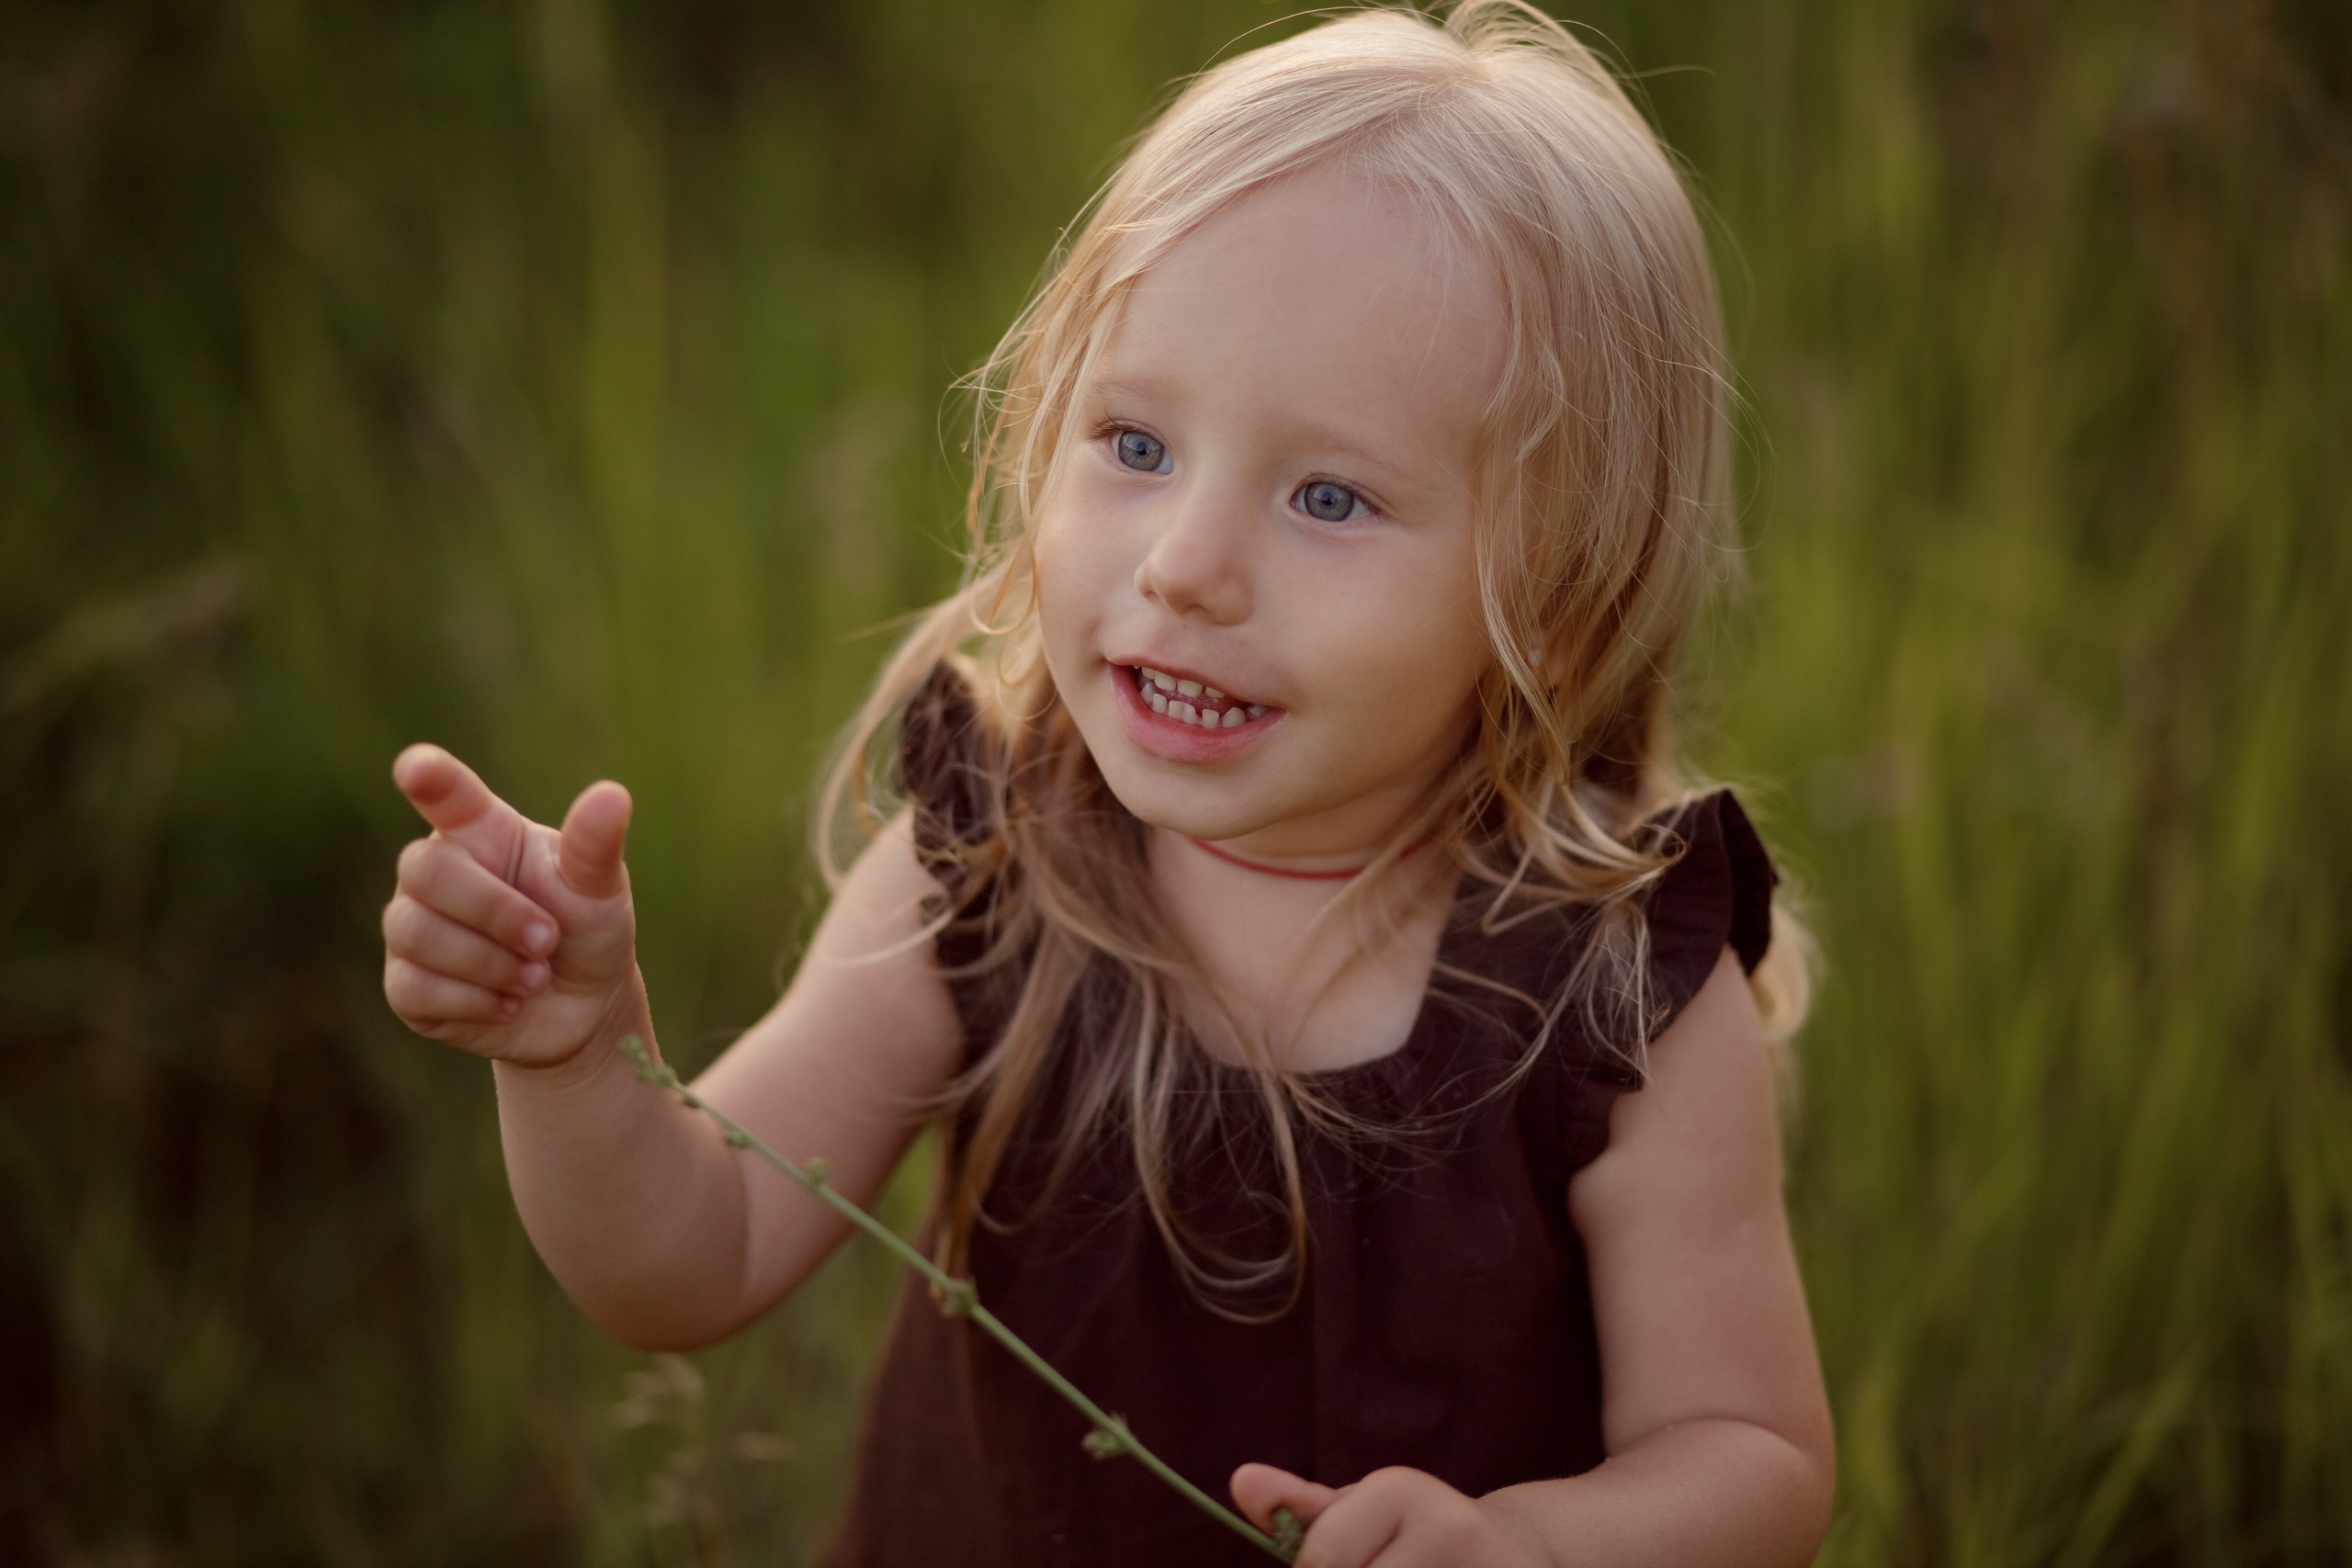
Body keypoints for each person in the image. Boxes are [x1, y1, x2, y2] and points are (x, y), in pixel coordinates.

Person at [379, 5, 1835, 1563]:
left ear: (1551, 597)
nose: (1187, 565)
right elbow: (693, 1258)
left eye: (1328, 495)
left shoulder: (1618, 993)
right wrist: (577, 1058)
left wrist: (1532, 1548)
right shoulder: (995, 867)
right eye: (1134, 444)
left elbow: (1748, 1460)